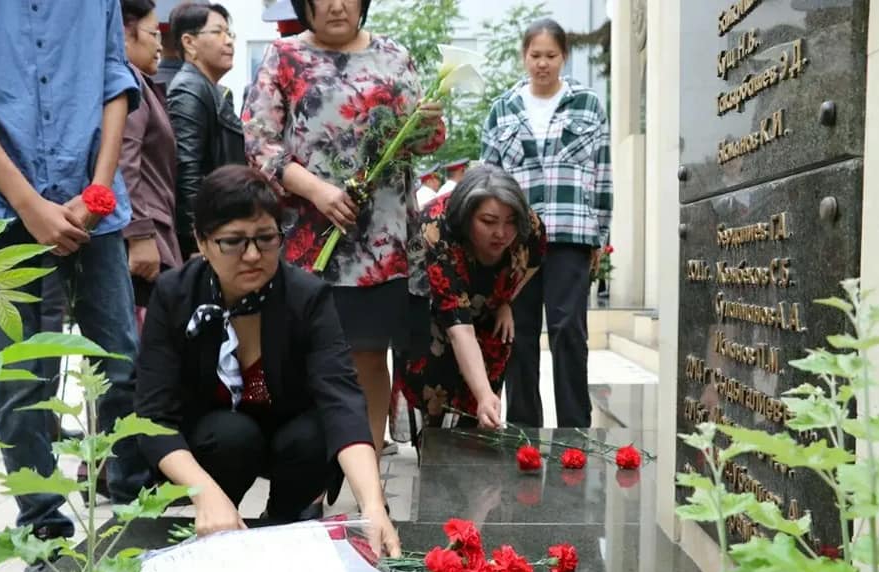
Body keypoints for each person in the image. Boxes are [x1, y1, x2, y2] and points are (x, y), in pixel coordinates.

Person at [0, 0, 151, 542]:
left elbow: (113, 77)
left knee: (120, 360)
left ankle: (132, 517)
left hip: (90, 196)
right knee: (19, 376)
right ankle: (44, 529)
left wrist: (97, 193)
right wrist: (27, 203)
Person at [135, 165, 400, 555]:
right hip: (215, 445)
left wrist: (372, 505)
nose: (253, 255)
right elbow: (153, 416)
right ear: (202, 241)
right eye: (233, 242)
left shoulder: (306, 296)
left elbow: (342, 400)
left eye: (266, 238)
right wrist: (205, 493)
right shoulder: (174, 294)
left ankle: (286, 522)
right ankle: (217, 522)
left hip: (292, 444)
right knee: (231, 434)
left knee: (315, 434)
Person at [241, 0, 445, 458]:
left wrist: (428, 124)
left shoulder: (393, 56)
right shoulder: (284, 56)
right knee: (307, 357)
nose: (337, 5)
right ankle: (310, 474)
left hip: (381, 243)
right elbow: (258, 142)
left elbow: (427, 140)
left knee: (369, 355)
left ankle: (364, 475)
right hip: (309, 240)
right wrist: (318, 191)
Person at [481, 18, 612, 430]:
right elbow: (487, 181)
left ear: (564, 57)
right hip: (515, 242)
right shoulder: (502, 110)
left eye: (551, 55)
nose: (542, 63)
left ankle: (575, 430)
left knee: (568, 330)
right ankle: (524, 431)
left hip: (571, 234)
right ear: (524, 56)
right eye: (535, 55)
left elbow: (603, 175)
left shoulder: (587, 104)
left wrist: (599, 237)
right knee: (518, 335)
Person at [395, 165, 546, 445]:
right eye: (488, 221)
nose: (501, 233)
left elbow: (532, 264)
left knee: (485, 389)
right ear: (466, 217)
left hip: (487, 303)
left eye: (510, 222)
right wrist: (483, 394)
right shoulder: (436, 230)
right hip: (429, 306)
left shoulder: (529, 226)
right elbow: (459, 329)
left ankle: (475, 442)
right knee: (437, 384)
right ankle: (434, 447)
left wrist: (506, 300)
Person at [120, 0, 183, 324]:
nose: (160, 44)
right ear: (124, 34)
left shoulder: (141, 83)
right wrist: (140, 235)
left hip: (155, 229)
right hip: (146, 238)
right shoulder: (127, 84)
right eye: (153, 33)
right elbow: (125, 161)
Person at [167, 2, 245, 258]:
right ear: (189, 43)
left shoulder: (208, 88)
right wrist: (196, 238)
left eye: (229, 33)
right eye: (218, 32)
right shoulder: (189, 89)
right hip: (208, 236)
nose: (229, 41)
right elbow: (187, 170)